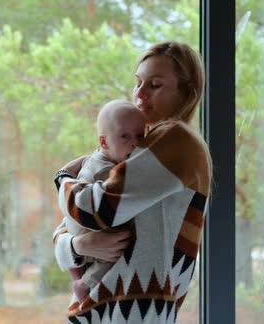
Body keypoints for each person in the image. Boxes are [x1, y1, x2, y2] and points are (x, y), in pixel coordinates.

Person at [52, 41, 212, 324]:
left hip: (131, 311)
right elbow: (69, 226)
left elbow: (95, 210)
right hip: (117, 307)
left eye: (155, 84)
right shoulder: (141, 148)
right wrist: (79, 245)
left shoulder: (176, 142)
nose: (140, 93)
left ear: (186, 92)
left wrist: (63, 178)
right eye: (138, 82)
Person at [61, 99, 145, 303]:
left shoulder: (93, 159)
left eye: (140, 136)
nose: (134, 143)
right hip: (93, 233)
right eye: (125, 136)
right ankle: (86, 284)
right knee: (122, 242)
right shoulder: (108, 171)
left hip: (76, 233)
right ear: (104, 142)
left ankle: (77, 274)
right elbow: (115, 208)